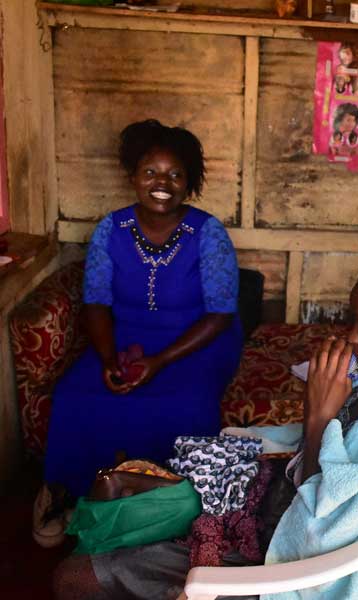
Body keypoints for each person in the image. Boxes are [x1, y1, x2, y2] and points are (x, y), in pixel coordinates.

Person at [53, 242, 358, 600]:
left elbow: (321, 530)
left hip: (281, 559)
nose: (351, 337)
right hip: (265, 504)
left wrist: (319, 414)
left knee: (72, 578)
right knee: (133, 502)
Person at [35, 119, 244, 546]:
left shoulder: (209, 234)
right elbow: (95, 303)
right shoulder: (111, 229)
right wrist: (110, 358)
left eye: (175, 174)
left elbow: (220, 314)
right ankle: (67, 492)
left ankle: (162, 505)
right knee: (77, 394)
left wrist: (160, 361)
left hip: (196, 342)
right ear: (133, 176)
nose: (162, 183)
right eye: (151, 172)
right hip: (124, 338)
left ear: (190, 183)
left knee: (188, 403)